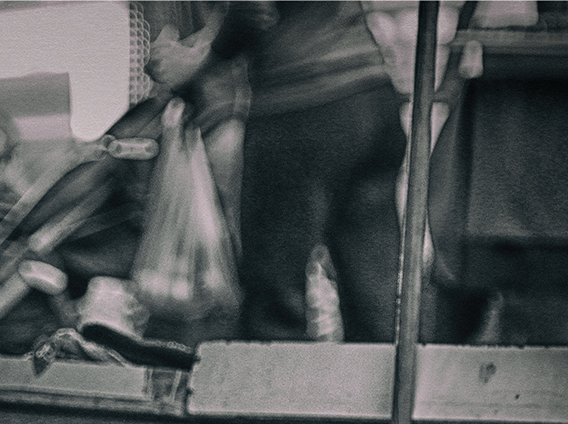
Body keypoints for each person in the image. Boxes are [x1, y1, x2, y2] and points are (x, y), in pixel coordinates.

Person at [151, 1, 407, 342]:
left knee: (276, 287)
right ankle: (387, 389)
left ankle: (277, 390)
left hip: (302, 99)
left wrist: (198, 62)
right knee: (374, 280)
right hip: (370, 89)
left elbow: (255, 10)